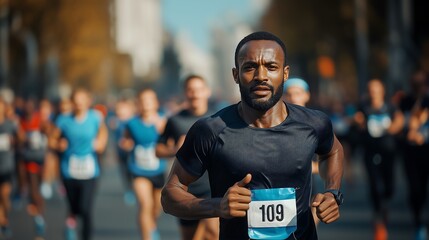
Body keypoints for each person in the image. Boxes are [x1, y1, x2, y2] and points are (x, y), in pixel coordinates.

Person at [161, 31, 344, 240]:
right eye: (249, 67)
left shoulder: (313, 123)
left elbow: (332, 151)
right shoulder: (210, 130)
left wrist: (332, 191)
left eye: (271, 67)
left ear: (285, 74)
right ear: (235, 75)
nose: (261, 76)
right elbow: (169, 196)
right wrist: (217, 206)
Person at [156, 75, 219, 240]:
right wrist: (176, 150)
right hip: (185, 189)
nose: (195, 94)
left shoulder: (218, 119)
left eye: (199, 89)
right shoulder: (175, 120)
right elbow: (158, 150)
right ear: (185, 93)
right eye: (191, 90)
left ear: (207, 92)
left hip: (212, 187)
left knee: (213, 233)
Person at [50, 88, 108, 240]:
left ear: (88, 101)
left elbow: (103, 132)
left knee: (86, 208)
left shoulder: (95, 117)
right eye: (76, 100)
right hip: (69, 170)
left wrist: (100, 142)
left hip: (90, 170)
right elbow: (52, 139)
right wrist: (58, 144)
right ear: (72, 102)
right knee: (74, 207)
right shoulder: (64, 119)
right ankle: (71, 222)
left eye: (83, 100)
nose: (79, 103)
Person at [354, 79, 403, 240]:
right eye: (371, 90)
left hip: (388, 151)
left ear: (382, 91)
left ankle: (384, 207)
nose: (374, 92)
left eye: (376, 89)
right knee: (375, 186)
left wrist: (393, 126)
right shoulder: (363, 107)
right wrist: (358, 122)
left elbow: (399, 120)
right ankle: (379, 221)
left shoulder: (390, 107)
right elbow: (356, 121)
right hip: (370, 151)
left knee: (389, 188)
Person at [120, 89, 166, 240]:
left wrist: (163, 133)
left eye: (149, 100)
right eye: (143, 100)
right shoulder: (132, 123)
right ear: (138, 104)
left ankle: (151, 225)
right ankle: (146, 236)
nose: (146, 104)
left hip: (158, 169)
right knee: (145, 205)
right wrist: (126, 143)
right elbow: (125, 140)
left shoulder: (162, 121)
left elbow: (169, 143)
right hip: (138, 169)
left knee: (156, 208)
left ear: (155, 103)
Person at [399, 70, 429, 240]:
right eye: (415, 84)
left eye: (421, 83)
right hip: (411, 153)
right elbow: (401, 124)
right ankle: (418, 223)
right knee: (415, 190)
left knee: (424, 190)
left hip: (427, 150)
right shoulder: (406, 101)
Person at [19, 98, 49, 238]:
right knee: (34, 189)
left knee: (39, 188)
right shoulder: (21, 122)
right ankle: (39, 217)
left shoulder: (40, 120)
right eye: (26, 108)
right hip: (29, 160)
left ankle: (38, 209)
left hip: (41, 159)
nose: (28, 110)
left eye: (31, 107)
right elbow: (17, 139)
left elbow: (50, 132)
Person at [0, 97, 22, 238]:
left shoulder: (10, 124)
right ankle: (2, 221)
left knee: (4, 196)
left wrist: (18, 135)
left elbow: (21, 139)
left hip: (6, 167)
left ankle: (5, 218)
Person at [111, 98, 136, 206]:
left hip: (133, 153)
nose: (120, 111)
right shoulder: (115, 122)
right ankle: (129, 190)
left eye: (123, 109)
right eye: (118, 109)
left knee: (133, 171)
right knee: (124, 172)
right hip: (121, 152)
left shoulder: (134, 121)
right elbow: (114, 139)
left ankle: (136, 189)